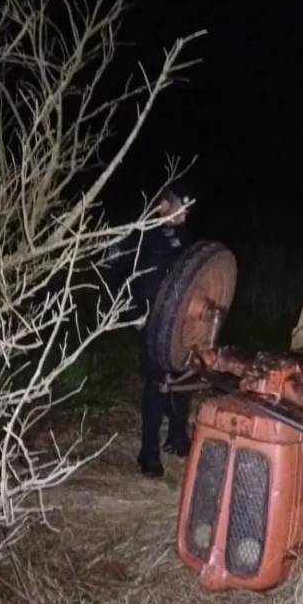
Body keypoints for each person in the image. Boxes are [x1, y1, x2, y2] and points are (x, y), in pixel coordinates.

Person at [108, 181, 195, 478]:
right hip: (148, 320)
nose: (185, 217)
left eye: (187, 212)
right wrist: (132, 313)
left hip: (178, 320)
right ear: (163, 205)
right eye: (180, 211)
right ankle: (148, 455)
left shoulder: (180, 233)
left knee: (185, 374)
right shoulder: (138, 232)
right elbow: (114, 272)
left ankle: (178, 438)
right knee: (157, 384)